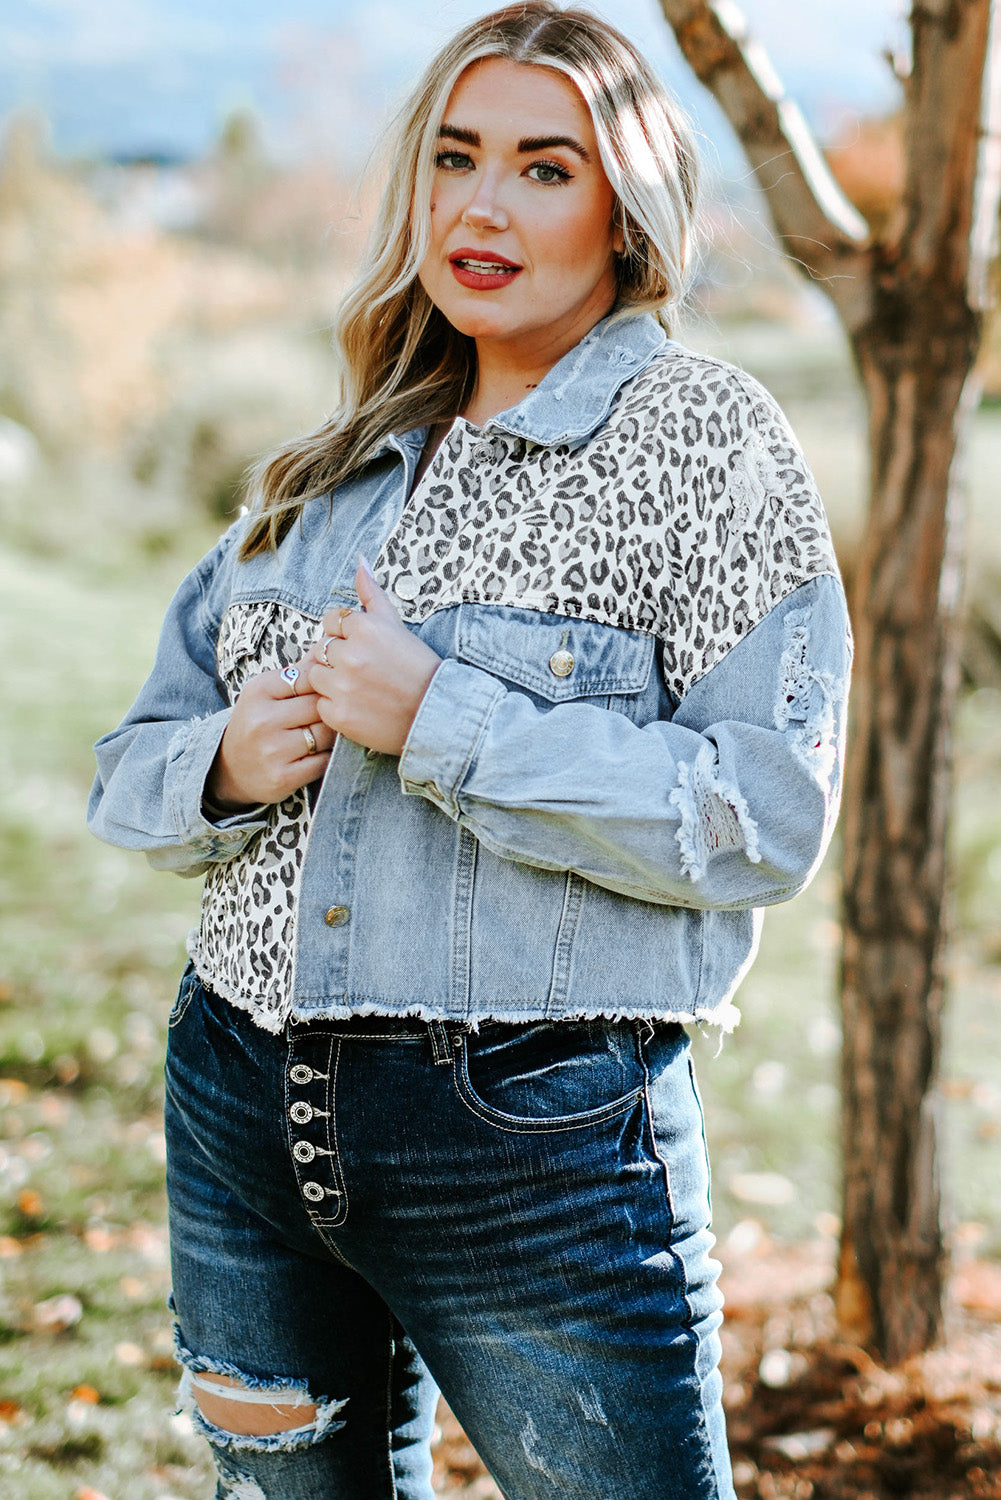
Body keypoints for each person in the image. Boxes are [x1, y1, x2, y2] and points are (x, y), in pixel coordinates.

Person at [88, 4, 852, 1497]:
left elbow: (762, 815)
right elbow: (130, 766)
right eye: (454, 158)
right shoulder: (334, 463)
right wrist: (232, 765)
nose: (481, 206)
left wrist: (447, 720)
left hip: (537, 1155)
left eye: (543, 167)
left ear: (628, 211)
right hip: (243, 1118)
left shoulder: (707, 444)